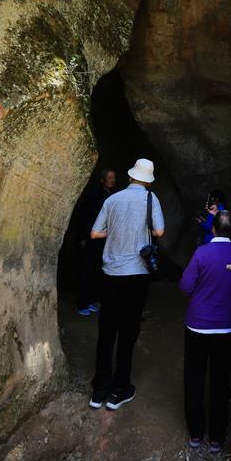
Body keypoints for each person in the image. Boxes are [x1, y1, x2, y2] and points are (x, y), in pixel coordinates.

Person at [88, 158, 164, 411]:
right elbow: (159, 232)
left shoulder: (112, 200)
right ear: (149, 180)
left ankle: (99, 390)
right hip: (136, 275)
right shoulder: (151, 199)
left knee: (106, 331)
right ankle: (119, 390)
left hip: (110, 273)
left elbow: (95, 233)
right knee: (128, 332)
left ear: (131, 176)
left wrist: (117, 231)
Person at [180, 210, 231, 452]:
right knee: (220, 381)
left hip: (197, 324)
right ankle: (217, 439)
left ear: (214, 229)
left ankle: (195, 434)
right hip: (224, 326)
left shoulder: (202, 252)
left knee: (194, 378)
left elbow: (186, 286)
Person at [74, 169, 117, 316]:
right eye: (110, 178)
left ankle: (91, 300)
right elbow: (83, 216)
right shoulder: (93, 195)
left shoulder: (112, 195)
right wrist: (82, 238)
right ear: (102, 180)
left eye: (114, 178)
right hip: (90, 238)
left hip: (103, 239)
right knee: (86, 270)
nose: (112, 180)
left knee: (97, 270)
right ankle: (82, 303)